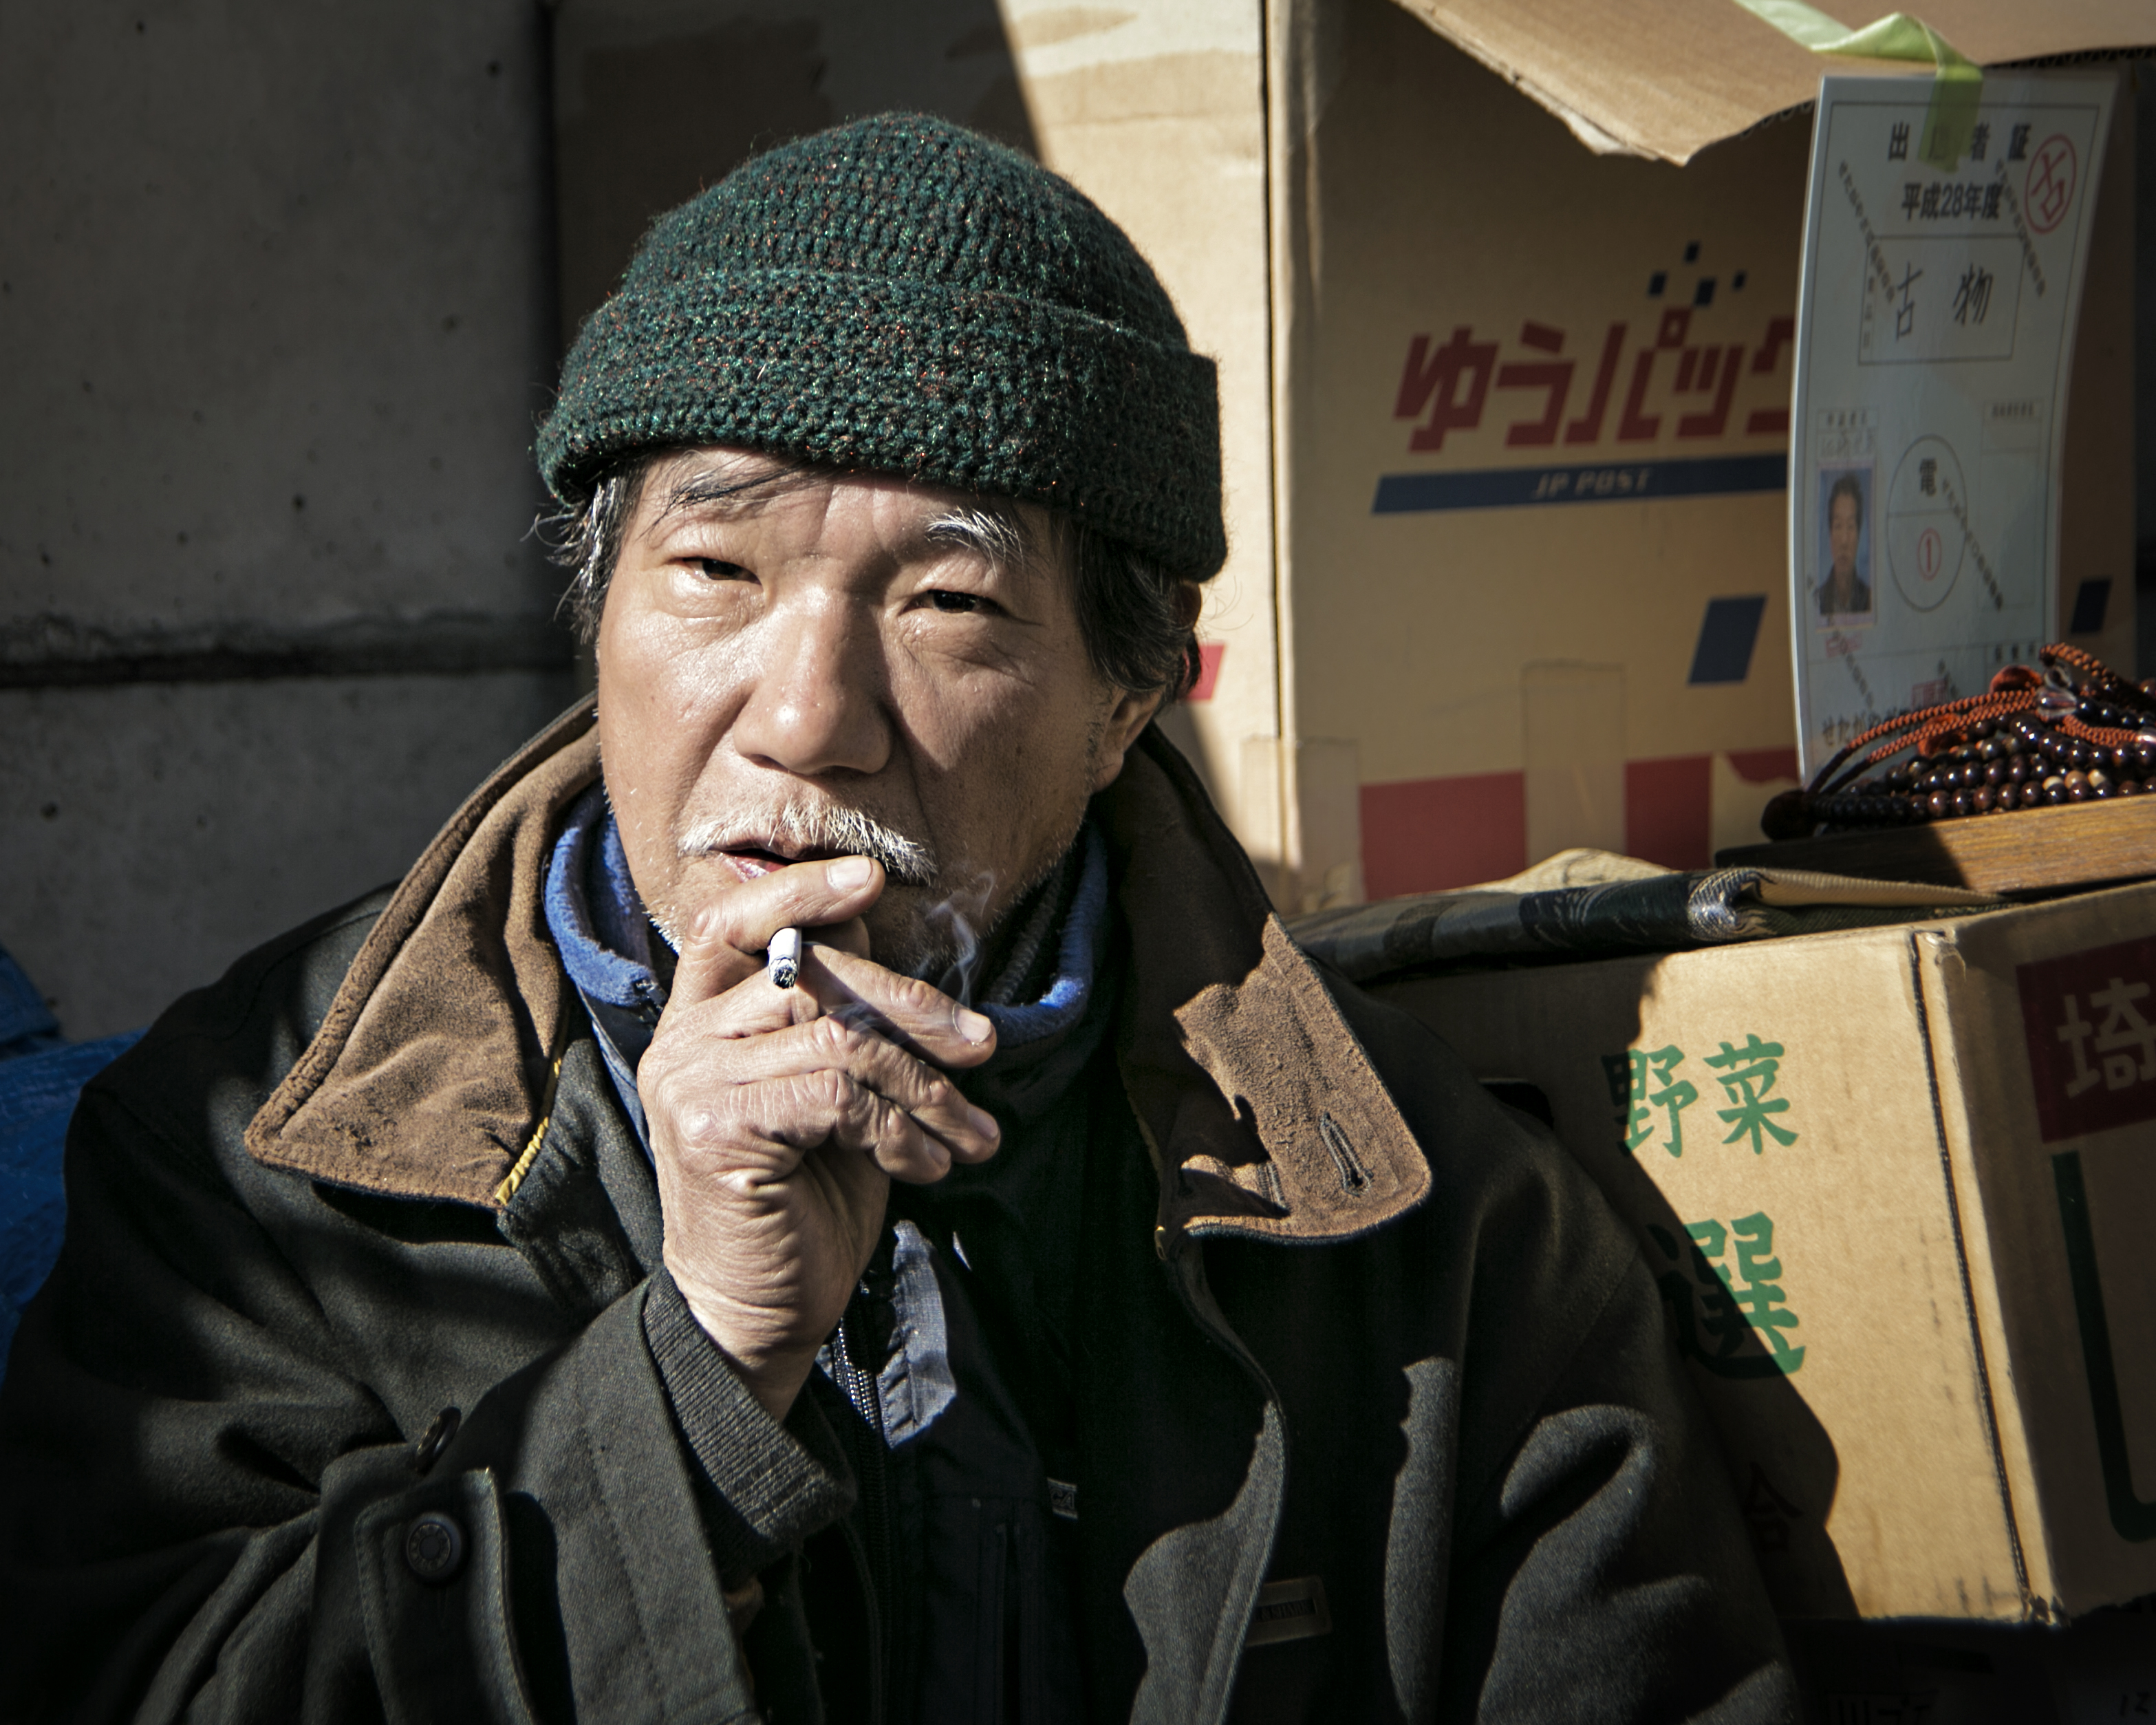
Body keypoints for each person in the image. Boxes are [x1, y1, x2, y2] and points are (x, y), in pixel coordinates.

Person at [0, 115, 1793, 1723]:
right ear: (597, 615)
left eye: (947, 601)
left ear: (1123, 702)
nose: (804, 716)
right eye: (714, 570)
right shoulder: (267, 1150)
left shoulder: (1425, 1218)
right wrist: (699, 1369)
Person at [1820, 473, 1871, 617]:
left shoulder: (1870, 600)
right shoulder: (1817, 601)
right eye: (1838, 526)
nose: (1844, 540)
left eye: (1850, 526)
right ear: (1830, 534)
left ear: (1859, 534)